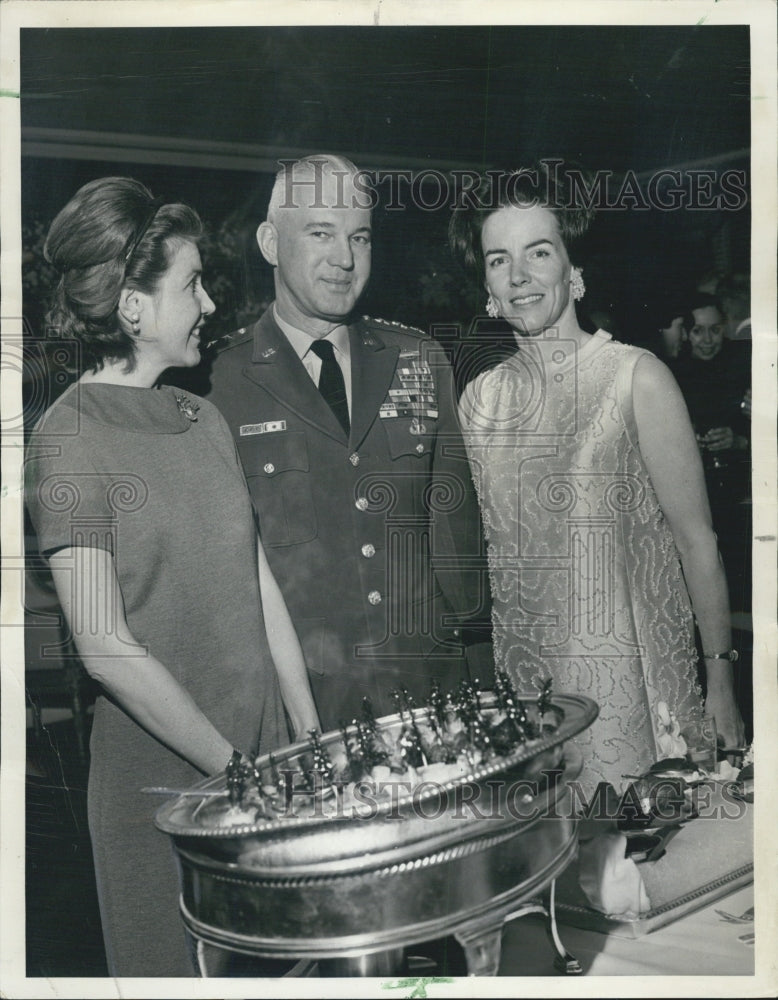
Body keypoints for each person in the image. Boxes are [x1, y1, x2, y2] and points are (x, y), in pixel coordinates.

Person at [25, 177, 319, 977]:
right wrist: (236, 770)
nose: (209, 304)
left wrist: (306, 731)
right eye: (192, 285)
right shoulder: (68, 440)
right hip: (169, 797)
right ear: (132, 307)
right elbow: (105, 649)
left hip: (268, 779)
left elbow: (257, 579)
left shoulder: (202, 418)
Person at [449, 163, 744, 796]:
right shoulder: (478, 403)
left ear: (572, 269)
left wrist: (721, 681)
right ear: (486, 285)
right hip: (532, 707)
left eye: (538, 251)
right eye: (499, 260)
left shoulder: (635, 377)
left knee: (647, 849)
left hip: (633, 692)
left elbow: (698, 542)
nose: (519, 275)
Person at [206, 154, 492, 733]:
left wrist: (483, 692)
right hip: (306, 712)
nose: (344, 258)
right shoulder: (217, 382)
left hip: (431, 699)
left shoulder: (418, 358)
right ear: (269, 243)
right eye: (321, 233)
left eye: (359, 237)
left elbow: (459, 556)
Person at [673, 291, 751, 611]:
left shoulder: (746, 362)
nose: (707, 340)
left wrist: (741, 441)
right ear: (684, 333)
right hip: (693, 492)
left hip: (741, 489)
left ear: (726, 327)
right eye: (697, 331)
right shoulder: (673, 370)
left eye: (714, 330)